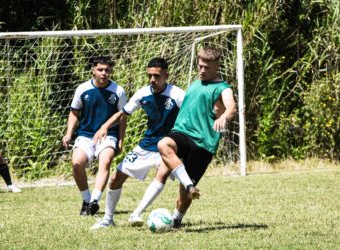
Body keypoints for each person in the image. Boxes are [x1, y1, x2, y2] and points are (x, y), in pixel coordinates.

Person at [90, 57, 185, 230]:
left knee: (162, 174)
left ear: (166, 75)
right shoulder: (143, 94)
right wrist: (105, 126)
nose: (152, 80)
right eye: (149, 76)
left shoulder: (178, 94)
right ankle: (107, 220)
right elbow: (123, 113)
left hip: (170, 145)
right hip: (147, 144)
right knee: (115, 178)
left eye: (157, 76)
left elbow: (191, 114)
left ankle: (137, 213)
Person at [157, 47, 237, 228]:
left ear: (217, 66)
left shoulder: (223, 88)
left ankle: (176, 219)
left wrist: (224, 117)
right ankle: (188, 184)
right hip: (183, 133)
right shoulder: (196, 82)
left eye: (207, 68)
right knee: (163, 144)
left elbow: (231, 107)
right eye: (200, 66)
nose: (202, 70)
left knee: (183, 194)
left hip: (203, 143)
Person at [62, 56, 127, 216]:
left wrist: (120, 140)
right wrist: (69, 133)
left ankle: (95, 201)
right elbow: (74, 112)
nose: (104, 73)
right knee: (77, 163)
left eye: (107, 70)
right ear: (93, 70)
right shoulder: (82, 89)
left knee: (105, 161)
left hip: (108, 135)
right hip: (85, 134)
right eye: (100, 70)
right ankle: (86, 200)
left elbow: (122, 117)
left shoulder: (118, 91)